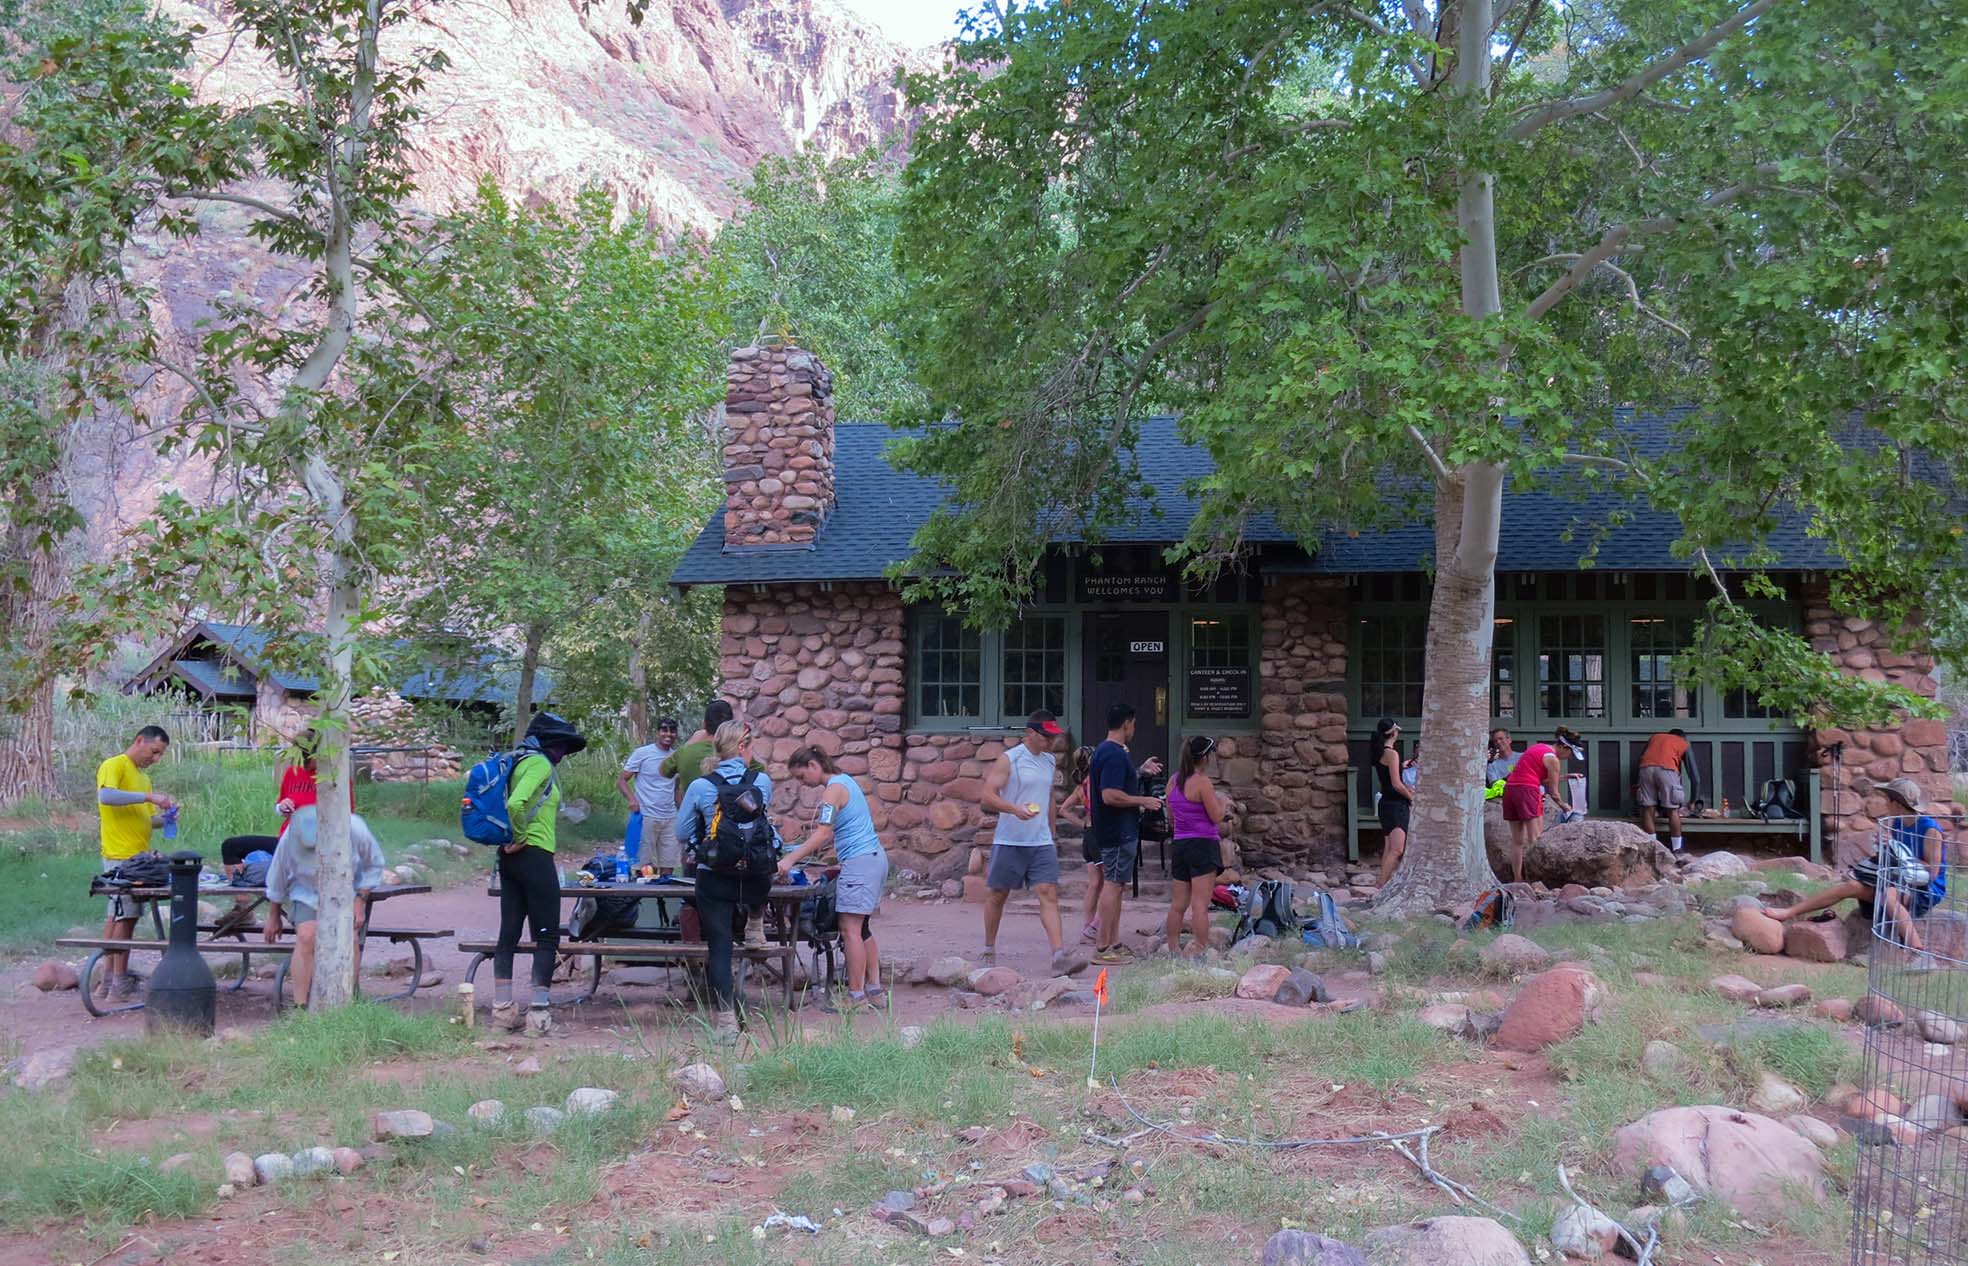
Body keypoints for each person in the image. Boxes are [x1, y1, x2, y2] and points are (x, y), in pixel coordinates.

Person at [1766, 778, 1949, 962]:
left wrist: (1900, 856)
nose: (1884, 803)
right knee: (1852, 885)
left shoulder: (1930, 830)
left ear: (1896, 804)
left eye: (1887, 799)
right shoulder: (1898, 824)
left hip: (1923, 889)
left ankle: (1918, 951)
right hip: (1897, 879)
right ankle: (1790, 912)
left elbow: (1932, 872)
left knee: (1888, 894)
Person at [675, 719, 776, 1043]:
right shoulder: (762, 782)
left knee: (719, 947)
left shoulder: (702, 786)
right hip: (755, 877)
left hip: (715, 876)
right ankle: (755, 925)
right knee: (766, 862)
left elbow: (680, 832)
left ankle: (727, 1023)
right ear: (744, 747)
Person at [491, 711, 587, 1037]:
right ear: (548, 744)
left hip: (509, 859)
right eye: (560, 745)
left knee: (509, 933)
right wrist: (520, 837)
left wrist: (511, 842)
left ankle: (502, 1013)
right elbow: (516, 805)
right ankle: (538, 1016)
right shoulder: (540, 765)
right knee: (546, 935)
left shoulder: (516, 762)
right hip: (534, 854)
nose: (562, 752)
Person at [779, 747, 888, 1011]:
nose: (802, 783)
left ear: (814, 765)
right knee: (862, 928)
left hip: (860, 863)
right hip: (874, 858)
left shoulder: (832, 791)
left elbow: (823, 834)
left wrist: (789, 860)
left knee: (849, 929)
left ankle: (855, 997)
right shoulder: (846, 781)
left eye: (801, 776)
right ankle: (874, 990)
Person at [978, 711, 1083, 975]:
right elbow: (987, 796)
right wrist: (1014, 809)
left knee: (1048, 892)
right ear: (1032, 733)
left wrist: (1051, 829)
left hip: (1040, 841)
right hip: (1010, 839)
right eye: (1046, 736)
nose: (1051, 741)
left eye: (1053, 736)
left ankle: (1059, 956)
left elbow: (1048, 797)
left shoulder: (1048, 761)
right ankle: (989, 947)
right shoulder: (1009, 760)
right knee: (998, 895)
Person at [262, 805, 387, 1007]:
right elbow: (278, 874)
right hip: (306, 891)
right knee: (307, 935)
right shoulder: (291, 835)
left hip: (346, 889)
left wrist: (360, 899)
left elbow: (375, 864)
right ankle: (301, 1006)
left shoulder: (355, 828)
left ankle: (348, 1002)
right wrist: (273, 915)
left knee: (349, 937)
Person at [95, 725, 174, 1000]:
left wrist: (165, 819)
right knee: (124, 917)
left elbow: (145, 819)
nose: (155, 759)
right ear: (139, 741)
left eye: (160, 755)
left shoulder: (143, 778)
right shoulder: (115, 764)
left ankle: (107, 980)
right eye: (154, 752)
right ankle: (118, 981)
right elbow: (106, 796)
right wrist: (149, 797)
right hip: (120, 855)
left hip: (139, 856)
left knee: (117, 915)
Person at [1088, 703, 1165, 966]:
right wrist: (1143, 800)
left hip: (1116, 831)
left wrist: (1140, 770)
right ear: (1126, 724)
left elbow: (1118, 781)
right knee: (1112, 884)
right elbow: (1109, 795)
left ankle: (1114, 942)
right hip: (1117, 832)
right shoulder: (1113, 755)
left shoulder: (1107, 751)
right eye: (1133, 724)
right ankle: (1101, 948)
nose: (1134, 729)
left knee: (1118, 885)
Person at [1165, 736, 1229, 956]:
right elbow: (1216, 816)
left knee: (1177, 905)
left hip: (1180, 845)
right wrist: (1224, 802)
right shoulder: (1202, 782)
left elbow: (1172, 819)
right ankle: (1200, 950)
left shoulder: (1172, 781)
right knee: (1200, 905)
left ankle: (1172, 949)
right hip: (1203, 845)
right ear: (1204, 758)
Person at [1499, 726, 1579, 884]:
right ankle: (1536, 880)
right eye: (1570, 753)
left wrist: (1566, 776)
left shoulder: (1538, 747)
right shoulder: (1554, 760)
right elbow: (1554, 793)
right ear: (1563, 747)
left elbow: (1537, 777)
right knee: (1535, 839)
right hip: (1528, 791)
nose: (1569, 757)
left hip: (1510, 790)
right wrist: (1565, 806)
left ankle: (1518, 879)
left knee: (1517, 840)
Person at [619, 717, 682, 880]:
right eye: (664, 730)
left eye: (672, 730)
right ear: (657, 732)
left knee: (668, 866)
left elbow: (676, 788)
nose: (668, 734)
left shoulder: (677, 757)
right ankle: (642, 901)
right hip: (646, 815)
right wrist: (632, 800)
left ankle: (664, 900)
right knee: (643, 867)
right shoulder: (643, 753)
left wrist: (681, 812)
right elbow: (621, 780)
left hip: (670, 817)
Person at [1057, 745, 1103, 942]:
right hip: (1101, 834)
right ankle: (1096, 924)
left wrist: (1083, 823)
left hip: (1089, 834)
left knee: (1094, 884)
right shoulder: (1095, 782)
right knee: (1112, 884)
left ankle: (1088, 924)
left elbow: (1063, 810)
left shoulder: (1080, 786)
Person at [1370, 718, 1413, 886]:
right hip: (1396, 805)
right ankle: (1380, 885)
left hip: (1385, 803)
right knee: (1397, 850)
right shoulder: (1392, 754)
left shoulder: (1380, 752)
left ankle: (1382, 883)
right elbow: (1396, 783)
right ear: (1394, 732)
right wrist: (1410, 796)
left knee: (1389, 847)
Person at [1636, 727, 1690, 852]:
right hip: (1667, 769)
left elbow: (1641, 757)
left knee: (1648, 809)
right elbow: (1694, 775)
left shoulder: (1655, 737)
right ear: (1682, 737)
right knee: (1672, 810)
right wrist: (1693, 800)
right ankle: (1677, 849)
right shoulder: (1682, 742)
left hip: (1645, 768)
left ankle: (1651, 847)